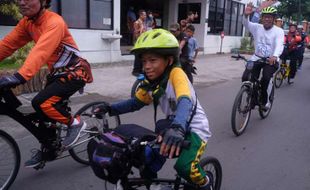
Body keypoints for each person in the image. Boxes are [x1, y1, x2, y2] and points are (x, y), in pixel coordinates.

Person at [95, 29, 212, 190]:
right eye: (144, 62)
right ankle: (153, 184)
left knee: (185, 168)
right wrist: (109, 108)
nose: (147, 66)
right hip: (172, 125)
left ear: (169, 60)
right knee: (145, 158)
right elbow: (135, 103)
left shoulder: (176, 73)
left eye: (153, 60)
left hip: (195, 128)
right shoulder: (152, 82)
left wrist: (178, 128)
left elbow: (185, 101)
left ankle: (206, 184)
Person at [0, 0, 93, 167]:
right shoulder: (28, 23)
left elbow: (40, 51)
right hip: (56, 74)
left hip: (75, 72)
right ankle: (49, 149)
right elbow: (7, 46)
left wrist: (20, 76)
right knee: (42, 114)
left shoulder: (54, 22)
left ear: (43, 1)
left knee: (41, 102)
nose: (22, 2)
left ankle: (76, 123)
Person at [242, 5, 284, 110]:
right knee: (246, 77)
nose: (267, 19)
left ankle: (265, 101)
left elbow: (279, 44)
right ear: (262, 18)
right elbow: (246, 24)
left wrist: (274, 56)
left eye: (270, 17)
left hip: (270, 61)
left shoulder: (279, 31)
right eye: (265, 17)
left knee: (266, 78)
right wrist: (246, 15)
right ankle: (252, 97)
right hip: (256, 58)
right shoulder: (257, 27)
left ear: (274, 19)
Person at [132, 9, 147, 76]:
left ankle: (140, 70)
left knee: (141, 56)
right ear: (140, 15)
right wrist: (141, 29)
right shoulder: (137, 23)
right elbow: (135, 34)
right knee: (137, 56)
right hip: (138, 42)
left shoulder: (143, 23)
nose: (145, 16)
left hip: (143, 42)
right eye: (144, 15)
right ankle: (135, 71)